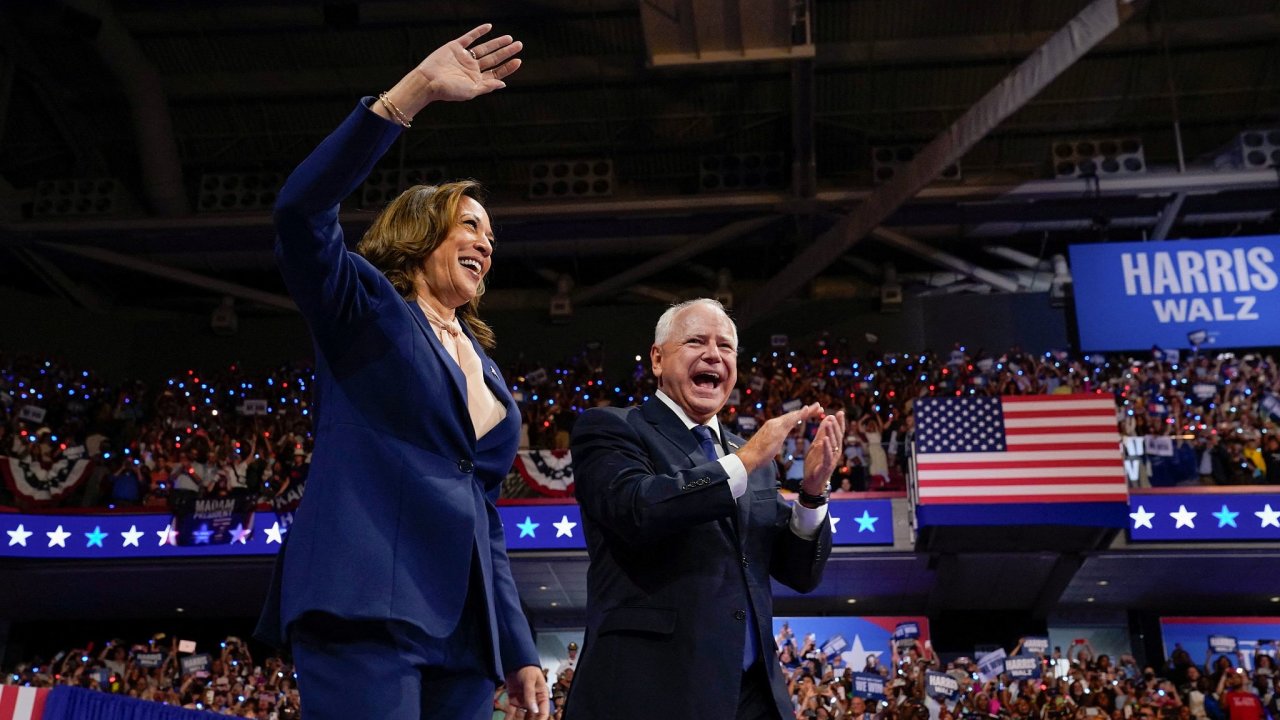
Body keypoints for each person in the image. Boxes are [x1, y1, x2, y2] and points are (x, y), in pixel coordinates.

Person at [253, 24, 548, 720]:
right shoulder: (365, 309)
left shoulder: (488, 371)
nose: (486, 242)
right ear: (420, 233)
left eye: (492, 237)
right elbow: (299, 213)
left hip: (465, 634)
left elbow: (485, 514)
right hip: (368, 604)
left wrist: (519, 646)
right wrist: (408, 96)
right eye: (469, 226)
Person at [563, 298, 846, 720]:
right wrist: (747, 461)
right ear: (658, 359)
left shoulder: (746, 453)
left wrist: (811, 491)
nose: (714, 354)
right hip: (652, 690)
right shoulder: (611, 428)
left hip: (753, 694)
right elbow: (639, 508)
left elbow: (800, 573)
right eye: (696, 341)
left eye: (726, 346)